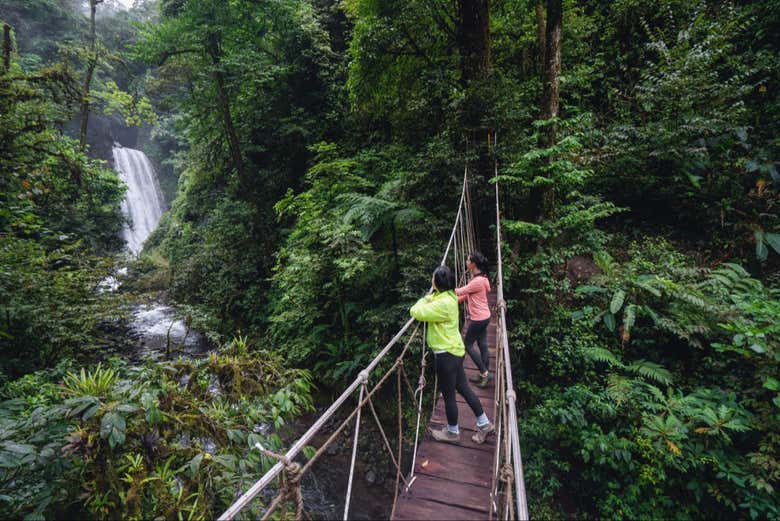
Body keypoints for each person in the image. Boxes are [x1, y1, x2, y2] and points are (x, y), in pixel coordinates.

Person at [410, 265, 494, 444]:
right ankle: (484, 423)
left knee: (449, 395)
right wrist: (431, 296)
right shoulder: (449, 296)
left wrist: (425, 299)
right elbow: (436, 297)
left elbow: (415, 311)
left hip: (446, 355)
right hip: (455, 352)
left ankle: (453, 432)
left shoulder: (442, 304)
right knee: (464, 389)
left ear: (436, 282)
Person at [456, 252, 493, 388]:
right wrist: (457, 301)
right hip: (485, 317)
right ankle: (485, 373)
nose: (466, 261)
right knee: (482, 345)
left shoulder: (476, 281)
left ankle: (484, 373)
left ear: (473, 264)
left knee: (468, 345)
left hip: (478, 319)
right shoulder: (482, 279)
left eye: (467, 260)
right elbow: (468, 294)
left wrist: (441, 289)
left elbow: (459, 291)